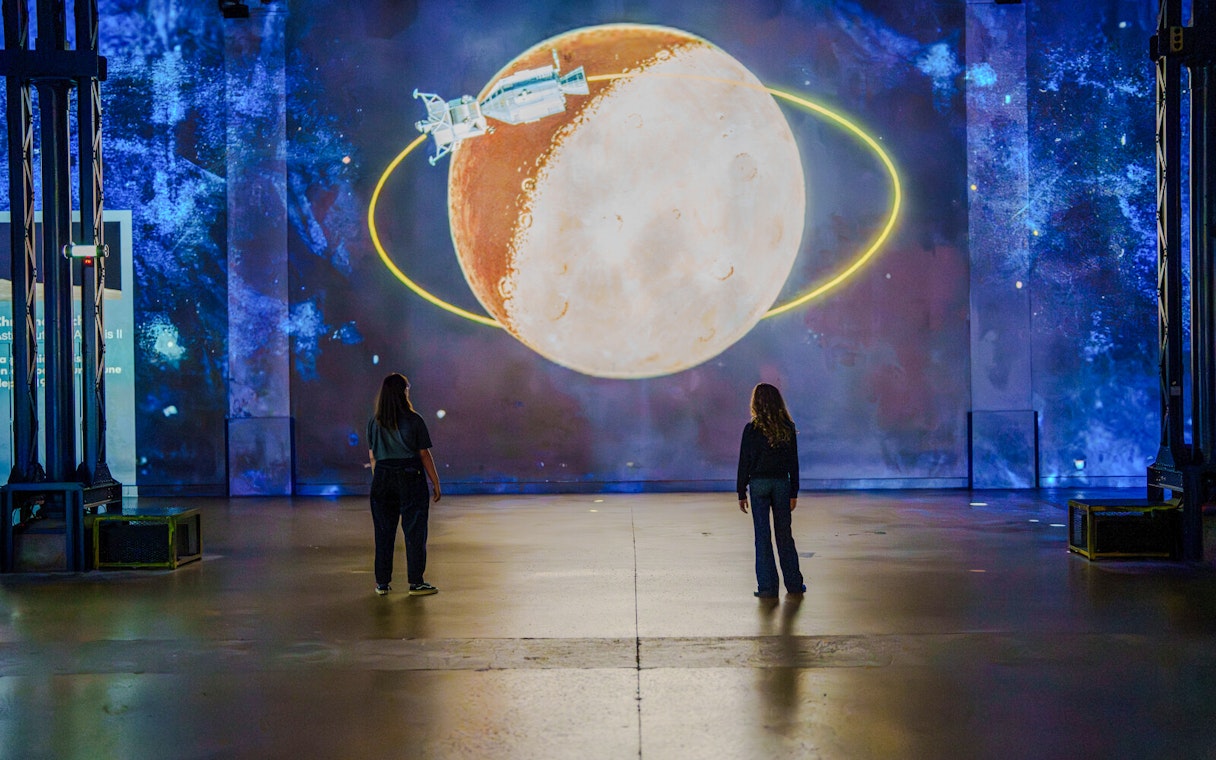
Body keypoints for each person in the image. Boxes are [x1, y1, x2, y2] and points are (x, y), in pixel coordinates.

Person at [366, 373, 442, 597]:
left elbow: (372, 457)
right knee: (415, 531)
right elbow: (424, 454)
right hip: (410, 476)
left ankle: (382, 583)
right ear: (403, 392)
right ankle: (416, 583)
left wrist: (379, 478)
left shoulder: (374, 421)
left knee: (383, 533)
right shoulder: (413, 419)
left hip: (382, 476)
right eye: (407, 388)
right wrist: (435, 482)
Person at [737, 382, 805, 599]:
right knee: (785, 535)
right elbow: (793, 463)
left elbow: (744, 462)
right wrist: (794, 490)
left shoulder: (751, 429)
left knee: (762, 536)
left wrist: (741, 491)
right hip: (781, 484)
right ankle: (794, 584)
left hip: (758, 485)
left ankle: (767, 587)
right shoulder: (787, 427)